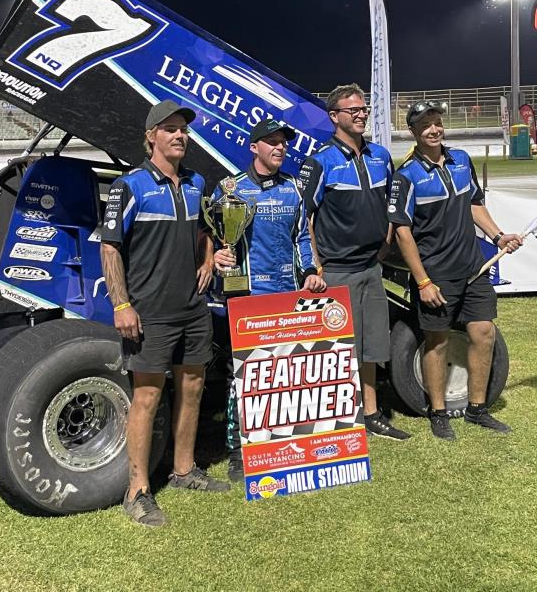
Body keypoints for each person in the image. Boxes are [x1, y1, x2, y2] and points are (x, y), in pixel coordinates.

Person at [100, 99, 229, 527]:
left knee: (193, 386)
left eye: (184, 130)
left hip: (192, 308)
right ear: (151, 136)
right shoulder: (131, 186)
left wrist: (208, 259)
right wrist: (122, 304)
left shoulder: (195, 183)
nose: (180, 136)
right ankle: (137, 491)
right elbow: (109, 246)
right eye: (170, 129)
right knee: (148, 396)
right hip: (149, 311)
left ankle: (184, 470)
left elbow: (207, 229)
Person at [388, 100, 522, 440]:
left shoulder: (461, 160)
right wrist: (422, 281)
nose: (434, 129)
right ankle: (438, 410)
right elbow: (402, 233)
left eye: (437, 123)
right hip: (436, 274)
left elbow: (474, 204)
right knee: (437, 342)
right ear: (413, 132)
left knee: (483, 333)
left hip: (472, 267)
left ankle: (477, 409)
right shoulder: (406, 176)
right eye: (425, 125)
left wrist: (497, 234)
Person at [213, 118, 326, 480]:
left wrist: (310, 270)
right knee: (244, 374)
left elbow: (302, 236)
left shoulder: (294, 188)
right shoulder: (231, 188)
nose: (280, 148)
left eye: (283, 143)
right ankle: (238, 449)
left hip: (288, 294)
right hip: (248, 295)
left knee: (287, 371)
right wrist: (218, 256)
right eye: (272, 142)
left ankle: (284, 442)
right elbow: (216, 238)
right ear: (253, 147)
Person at [299, 83, 410, 441]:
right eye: (353, 110)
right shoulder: (320, 162)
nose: (361, 115)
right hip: (336, 272)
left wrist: (385, 246)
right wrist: (316, 266)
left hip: (371, 269)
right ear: (335, 117)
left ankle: (372, 414)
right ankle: (336, 419)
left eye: (364, 109)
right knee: (336, 350)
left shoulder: (379, 156)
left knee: (373, 346)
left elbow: (391, 208)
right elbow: (306, 218)